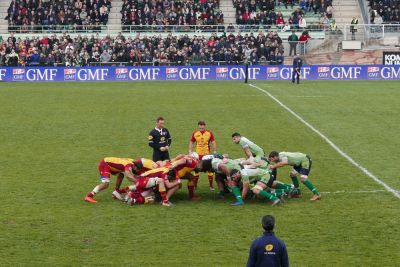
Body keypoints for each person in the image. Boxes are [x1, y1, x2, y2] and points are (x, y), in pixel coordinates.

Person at [189, 121, 217, 191]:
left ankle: (211, 186)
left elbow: (213, 142)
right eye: (200, 127)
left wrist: (214, 151)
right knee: (197, 170)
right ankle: (195, 185)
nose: (201, 128)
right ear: (198, 126)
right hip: (198, 155)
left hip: (207, 155)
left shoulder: (209, 133)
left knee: (210, 170)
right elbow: (191, 141)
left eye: (202, 127)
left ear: (205, 126)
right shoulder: (195, 133)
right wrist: (190, 150)